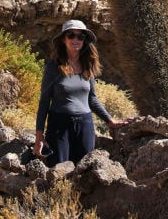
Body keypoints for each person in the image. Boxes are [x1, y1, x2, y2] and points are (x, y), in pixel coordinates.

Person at [34, 19, 124, 164]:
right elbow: (44, 101)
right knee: (58, 169)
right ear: (64, 39)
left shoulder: (87, 65)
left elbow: (92, 99)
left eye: (80, 36)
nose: (76, 39)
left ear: (84, 41)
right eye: (71, 35)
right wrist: (39, 136)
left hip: (85, 124)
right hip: (59, 125)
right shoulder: (54, 66)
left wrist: (110, 120)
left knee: (84, 169)